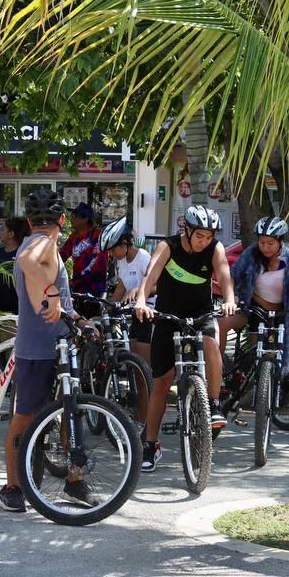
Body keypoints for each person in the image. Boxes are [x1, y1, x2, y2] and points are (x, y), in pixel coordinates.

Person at [0, 189, 96, 512]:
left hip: (56, 345)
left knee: (70, 412)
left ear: (28, 220)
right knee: (26, 417)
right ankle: (12, 486)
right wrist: (52, 292)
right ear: (64, 221)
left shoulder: (40, 244)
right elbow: (28, 263)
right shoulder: (38, 244)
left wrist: (79, 318)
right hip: (39, 348)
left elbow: (61, 302)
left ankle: (72, 480)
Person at [134, 205, 236, 472]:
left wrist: (229, 300)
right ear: (186, 230)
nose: (204, 242)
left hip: (200, 313)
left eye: (208, 236)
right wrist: (142, 300)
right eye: (199, 236)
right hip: (168, 316)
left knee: (211, 342)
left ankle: (213, 405)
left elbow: (225, 276)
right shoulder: (168, 247)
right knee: (161, 383)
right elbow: (150, 276)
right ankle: (150, 444)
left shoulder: (215, 249)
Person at [221, 215, 289, 399]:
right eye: (262, 242)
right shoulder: (251, 253)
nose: (265, 247)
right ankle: (219, 374)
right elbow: (232, 275)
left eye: (270, 243)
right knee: (223, 325)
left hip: (280, 313)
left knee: (270, 357)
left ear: (281, 241)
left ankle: (265, 399)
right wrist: (231, 298)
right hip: (253, 309)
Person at [102, 217, 154, 366]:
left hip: (150, 314)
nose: (111, 254)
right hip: (135, 314)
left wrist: (139, 290)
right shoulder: (121, 261)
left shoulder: (142, 257)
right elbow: (120, 289)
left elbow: (160, 285)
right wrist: (105, 311)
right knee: (132, 356)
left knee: (143, 362)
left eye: (112, 249)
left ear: (125, 243)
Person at [60, 202, 108, 297]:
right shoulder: (74, 236)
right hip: (78, 289)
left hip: (95, 290)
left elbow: (99, 263)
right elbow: (62, 255)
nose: (71, 218)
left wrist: (78, 278)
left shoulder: (97, 235)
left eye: (75, 215)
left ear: (85, 219)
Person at [0, 216, 28, 313]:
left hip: (15, 309)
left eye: (3, 229)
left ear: (11, 234)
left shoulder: (22, 254)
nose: (0, 232)